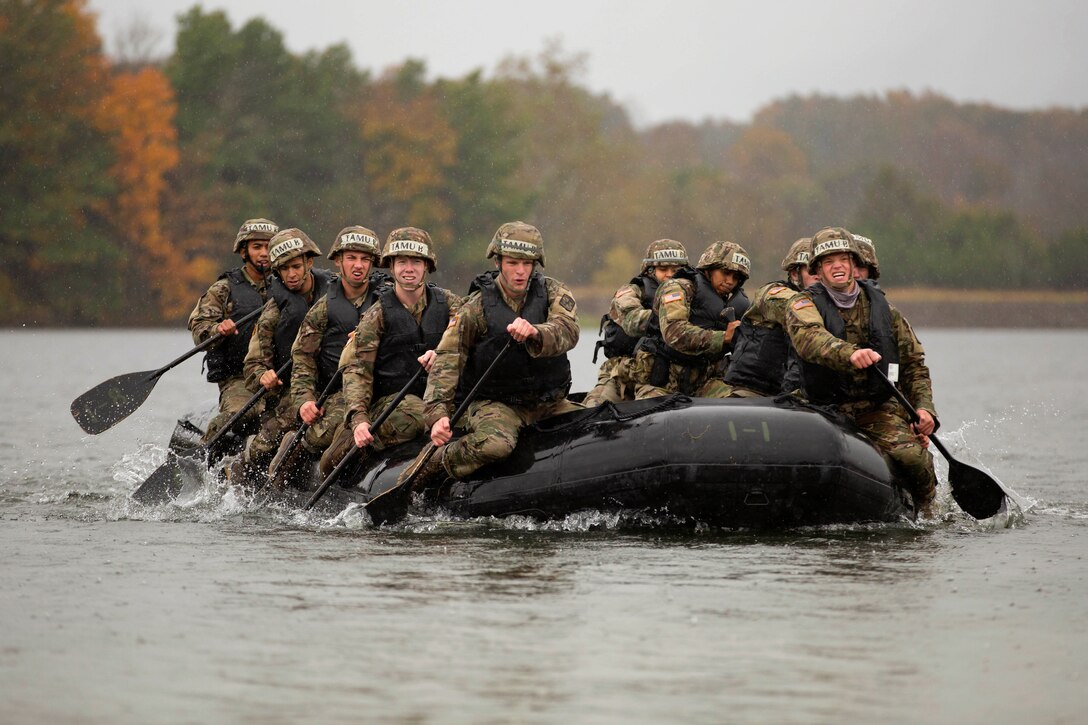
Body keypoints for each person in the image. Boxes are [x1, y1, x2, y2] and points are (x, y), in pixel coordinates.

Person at [405, 221, 581, 489]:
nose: (520, 271)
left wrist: (537, 332)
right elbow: (448, 360)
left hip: (548, 401)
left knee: (594, 427)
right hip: (497, 404)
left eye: (527, 263)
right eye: (512, 263)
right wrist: (436, 414)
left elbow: (569, 330)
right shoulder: (476, 308)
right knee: (496, 446)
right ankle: (438, 461)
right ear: (498, 262)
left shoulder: (554, 292)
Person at [784, 226, 939, 514]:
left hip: (875, 405)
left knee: (912, 459)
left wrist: (925, 409)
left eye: (843, 259)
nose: (837, 266)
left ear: (855, 265)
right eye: (829, 262)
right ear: (817, 270)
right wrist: (850, 353)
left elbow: (914, 365)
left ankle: (927, 508)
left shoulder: (885, 310)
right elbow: (809, 339)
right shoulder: (802, 303)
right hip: (820, 407)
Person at [319, 228, 463, 478]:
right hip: (389, 402)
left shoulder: (450, 304)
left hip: (439, 399)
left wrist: (441, 352)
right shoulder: (377, 315)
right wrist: (359, 419)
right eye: (402, 262)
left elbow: (470, 337)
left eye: (416, 262)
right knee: (414, 415)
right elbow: (356, 371)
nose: (409, 268)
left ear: (426, 266)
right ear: (392, 266)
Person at [276, 225, 388, 484]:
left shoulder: (388, 299)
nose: (358, 265)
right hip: (338, 391)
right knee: (327, 429)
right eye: (351, 258)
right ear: (338, 261)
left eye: (365, 259)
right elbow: (302, 358)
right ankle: (296, 449)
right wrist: (305, 399)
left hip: (381, 388)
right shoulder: (323, 309)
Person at [232, 228, 331, 484]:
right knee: (270, 436)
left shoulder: (337, 294)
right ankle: (245, 468)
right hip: (287, 391)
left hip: (332, 385)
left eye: (296, 266)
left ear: (309, 262)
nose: (291, 274)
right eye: (284, 269)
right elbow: (253, 366)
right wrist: (263, 377)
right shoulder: (273, 314)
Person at [187, 218, 278, 442]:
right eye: (257, 247)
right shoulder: (223, 289)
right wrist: (217, 329)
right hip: (239, 378)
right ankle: (205, 453)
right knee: (243, 414)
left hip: (279, 376)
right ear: (244, 251)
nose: (264, 253)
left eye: (269, 247)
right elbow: (199, 330)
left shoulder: (290, 285)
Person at [628, 240, 751, 399]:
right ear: (709, 269)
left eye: (736, 277)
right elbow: (674, 332)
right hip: (662, 383)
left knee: (740, 401)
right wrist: (723, 337)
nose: (730, 281)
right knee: (655, 413)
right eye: (725, 273)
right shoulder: (678, 288)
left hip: (705, 381)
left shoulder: (740, 304)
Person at [583, 239, 689, 407]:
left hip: (661, 378)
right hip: (622, 374)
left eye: (676, 270)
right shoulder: (630, 292)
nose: (670, 274)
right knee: (594, 408)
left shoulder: (691, 295)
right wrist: (670, 320)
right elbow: (632, 319)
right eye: (663, 269)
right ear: (650, 271)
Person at [712, 237, 817, 398]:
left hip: (795, 394)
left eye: (822, 268)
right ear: (795, 274)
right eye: (812, 270)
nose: (819, 275)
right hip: (754, 391)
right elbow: (798, 310)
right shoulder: (773, 294)